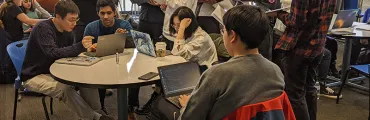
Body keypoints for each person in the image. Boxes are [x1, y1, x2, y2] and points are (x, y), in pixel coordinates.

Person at [177, 5, 284, 119]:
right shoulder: (276, 72)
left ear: (232, 36)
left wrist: (185, 106)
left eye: (223, 30)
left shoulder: (216, 75)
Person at [20, 0, 114, 120]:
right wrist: (80, 46)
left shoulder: (68, 30)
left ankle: (96, 112)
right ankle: (96, 117)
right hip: (34, 75)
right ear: (58, 17)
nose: (74, 23)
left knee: (87, 78)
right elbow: (52, 53)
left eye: (76, 19)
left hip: (56, 70)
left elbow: (69, 53)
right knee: (64, 89)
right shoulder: (43, 28)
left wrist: (87, 53)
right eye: (71, 20)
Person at [270, 0, 337, 119]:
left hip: (300, 49)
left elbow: (296, 21)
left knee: (296, 95)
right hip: (318, 47)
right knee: (309, 89)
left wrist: (279, 14)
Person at [83, 0, 133, 115]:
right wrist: (89, 47)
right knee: (99, 76)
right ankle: (101, 107)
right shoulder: (91, 27)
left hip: (122, 62)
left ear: (114, 13)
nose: (106, 16)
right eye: (102, 13)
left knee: (135, 78)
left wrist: (121, 38)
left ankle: (131, 107)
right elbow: (85, 50)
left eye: (109, 13)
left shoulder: (124, 24)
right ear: (98, 13)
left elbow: (134, 45)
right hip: (99, 64)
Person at [129, 0, 165, 115]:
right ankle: (132, 103)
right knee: (138, 60)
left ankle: (155, 102)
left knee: (161, 61)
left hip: (162, 21)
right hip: (144, 21)